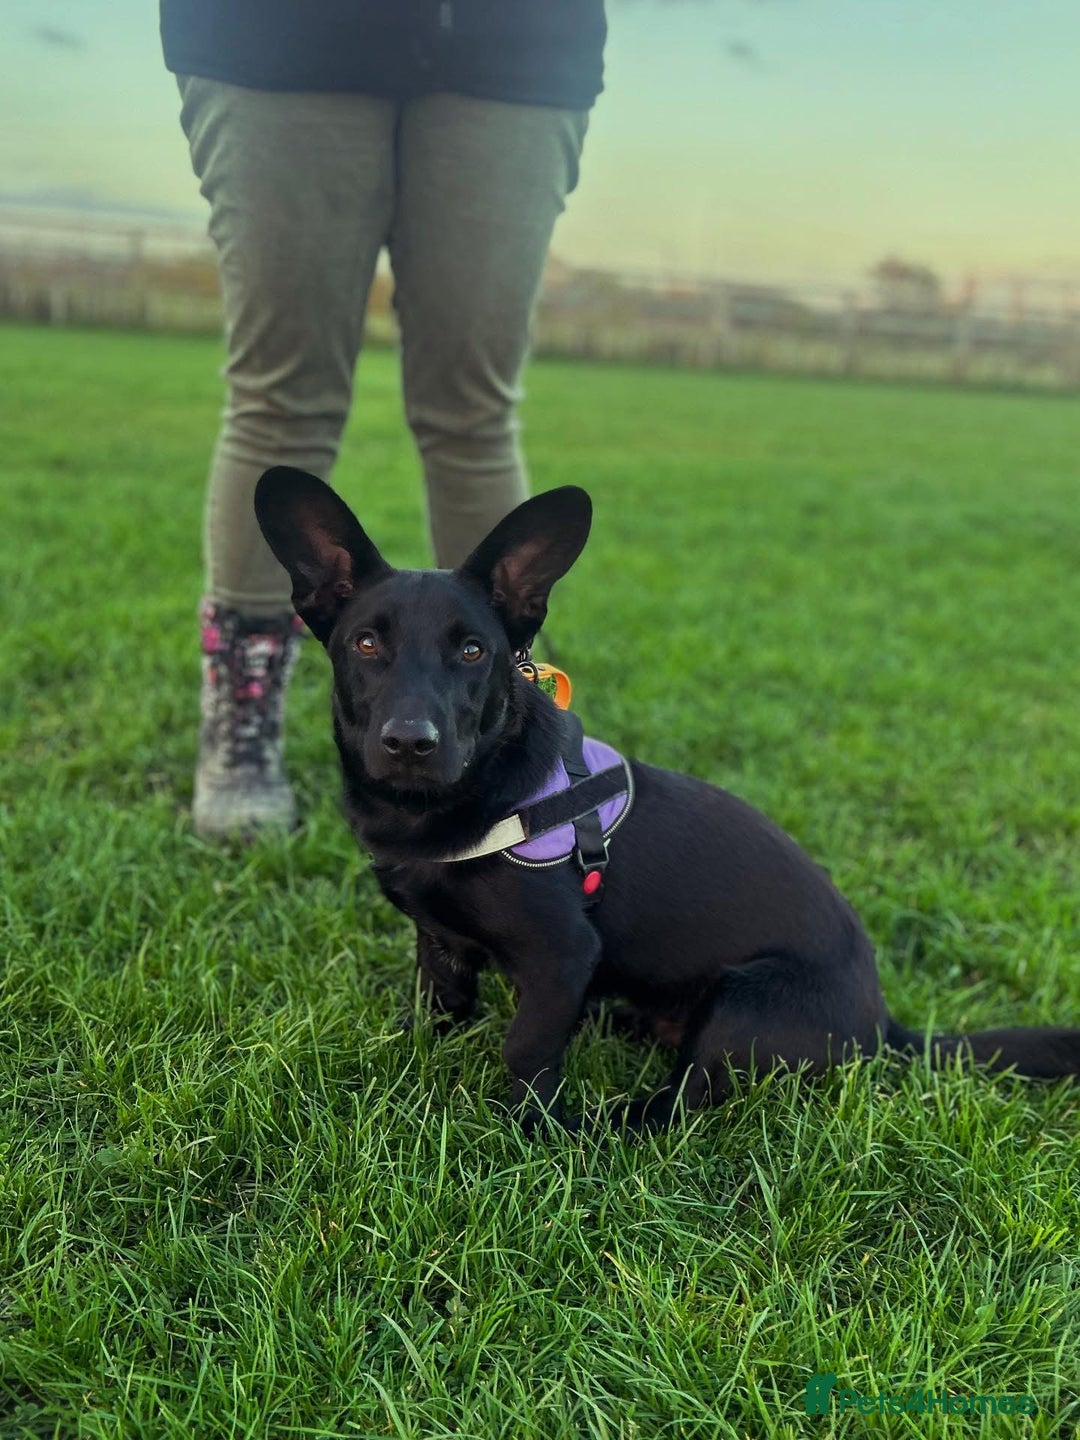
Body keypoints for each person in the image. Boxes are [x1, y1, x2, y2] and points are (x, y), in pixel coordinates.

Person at [159, 0, 607, 837]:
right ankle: (244, 714)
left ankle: (506, 716)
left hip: (514, 44)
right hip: (278, 40)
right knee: (279, 398)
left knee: (472, 407)